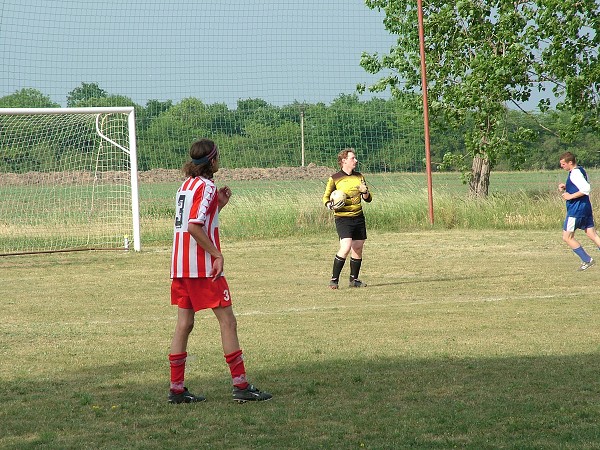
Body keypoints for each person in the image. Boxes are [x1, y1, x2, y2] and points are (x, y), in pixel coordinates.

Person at [168, 138, 272, 403]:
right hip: (202, 268)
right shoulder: (206, 186)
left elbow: (194, 220)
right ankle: (240, 385)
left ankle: (176, 389)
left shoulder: (186, 185)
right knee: (228, 321)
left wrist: (219, 204)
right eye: (218, 157)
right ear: (212, 161)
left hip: (180, 267)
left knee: (184, 324)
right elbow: (194, 226)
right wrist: (216, 254)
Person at [322, 148, 373, 289]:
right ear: (344, 161)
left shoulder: (359, 176)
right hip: (343, 218)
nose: (355, 160)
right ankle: (334, 280)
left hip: (358, 217)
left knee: (357, 247)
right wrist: (330, 205)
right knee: (345, 247)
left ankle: (354, 280)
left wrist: (365, 192)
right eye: (353, 158)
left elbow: (368, 199)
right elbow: (326, 197)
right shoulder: (335, 178)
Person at [558, 151, 600, 271]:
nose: (562, 166)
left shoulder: (575, 173)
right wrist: (567, 187)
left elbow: (586, 188)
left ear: (570, 162)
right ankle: (587, 260)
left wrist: (570, 196)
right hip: (585, 207)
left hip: (576, 210)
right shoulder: (580, 170)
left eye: (563, 164)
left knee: (567, 237)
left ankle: (587, 260)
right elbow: (581, 186)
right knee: (592, 234)